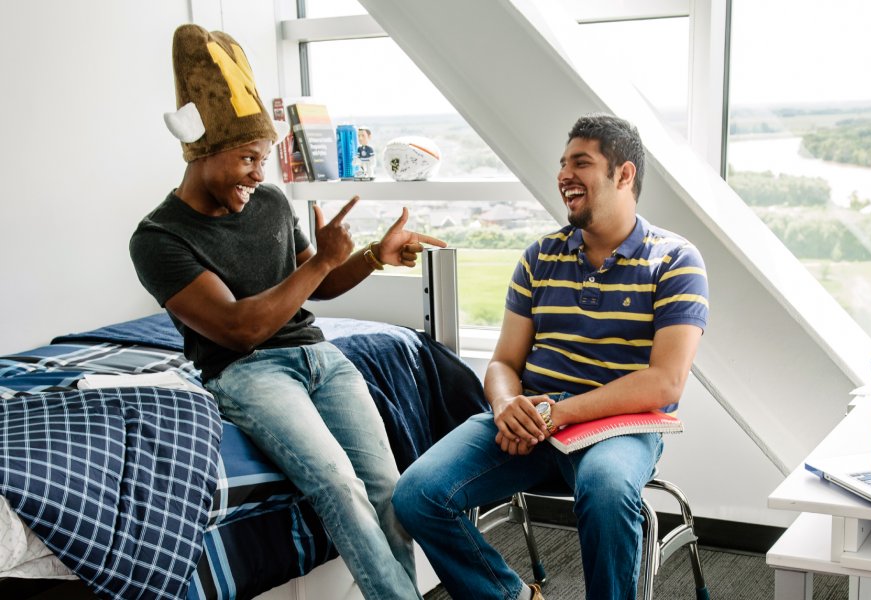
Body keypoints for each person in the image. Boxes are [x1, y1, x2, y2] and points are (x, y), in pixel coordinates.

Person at [129, 25, 445, 600]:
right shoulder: (157, 238)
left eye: (264, 159)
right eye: (248, 159)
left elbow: (313, 289)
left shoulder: (269, 202)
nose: (259, 174)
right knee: (337, 485)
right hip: (247, 371)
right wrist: (320, 264)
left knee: (386, 488)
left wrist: (373, 255)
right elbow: (238, 327)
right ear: (203, 153)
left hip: (321, 358)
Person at [393, 113, 709, 600]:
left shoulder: (674, 260)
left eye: (580, 163)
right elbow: (503, 364)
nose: (564, 176)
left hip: (620, 425)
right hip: (535, 418)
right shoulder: (539, 256)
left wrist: (557, 412)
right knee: (416, 496)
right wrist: (505, 406)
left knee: (606, 491)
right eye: (562, 164)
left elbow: (666, 383)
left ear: (623, 174)